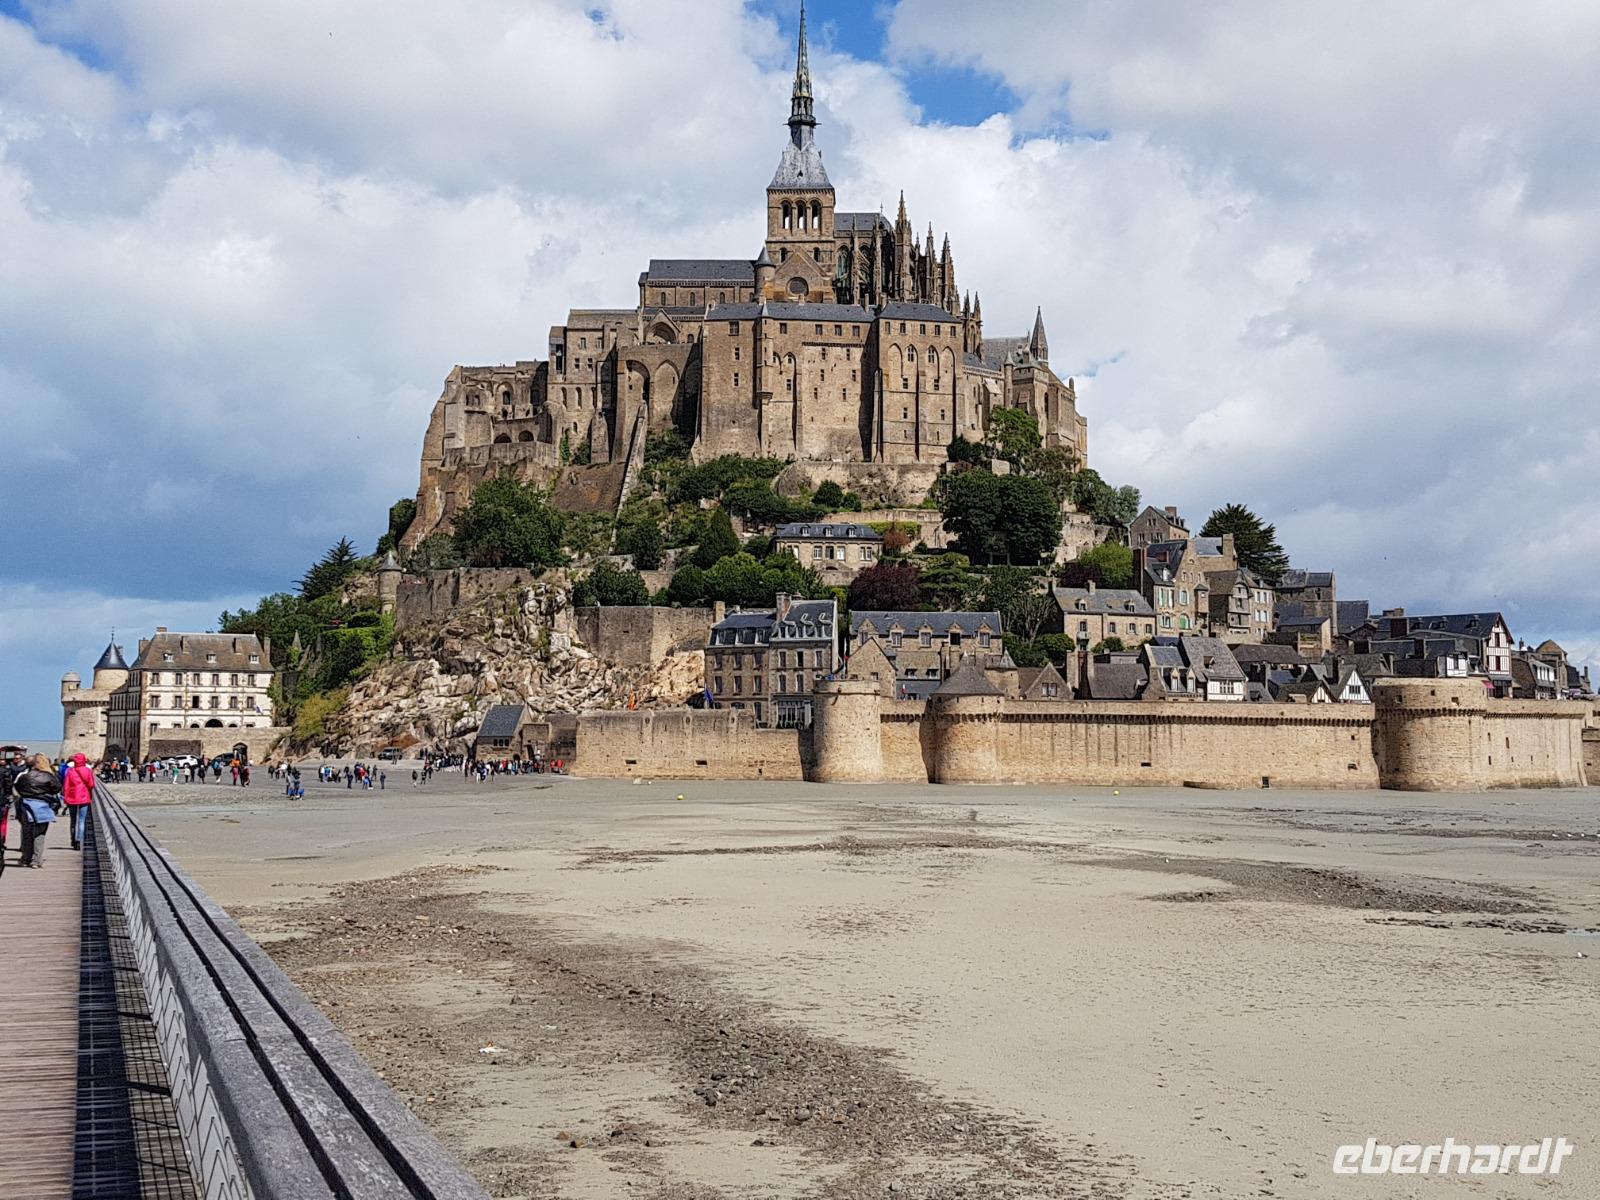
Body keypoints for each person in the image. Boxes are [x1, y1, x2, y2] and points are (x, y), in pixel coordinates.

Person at [14, 753, 63, 868]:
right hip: (43, 806)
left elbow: (17, 787)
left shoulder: (24, 776)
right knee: (39, 834)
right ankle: (36, 861)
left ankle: (26, 859)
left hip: (26, 805)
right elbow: (57, 788)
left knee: (27, 833)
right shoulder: (49, 776)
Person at [62, 752, 96, 851]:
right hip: (84, 797)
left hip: (72, 798)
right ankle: (79, 840)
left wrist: (65, 797)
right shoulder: (88, 770)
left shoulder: (70, 771)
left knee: (73, 820)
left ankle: (73, 839)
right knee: (82, 820)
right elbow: (91, 784)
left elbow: (66, 786)